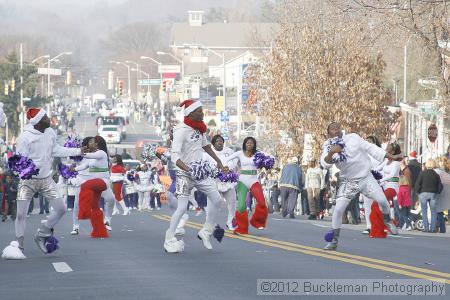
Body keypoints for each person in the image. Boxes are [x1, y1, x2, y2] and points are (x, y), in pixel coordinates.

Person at [5, 108, 83, 258]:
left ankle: (42, 233)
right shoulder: (25, 137)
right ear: (39, 122)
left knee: (61, 209)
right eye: (46, 117)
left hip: (46, 179)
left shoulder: (50, 133)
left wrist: (78, 151)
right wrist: (23, 171)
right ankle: (19, 245)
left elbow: (57, 150)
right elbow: (20, 160)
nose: (49, 119)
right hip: (28, 181)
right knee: (21, 214)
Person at [320, 122, 401, 250]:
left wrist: (392, 156)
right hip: (348, 181)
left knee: (383, 201)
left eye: (337, 127)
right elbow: (325, 164)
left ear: (341, 129)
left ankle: (387, 219)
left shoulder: (353, 137)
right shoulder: (327, 145)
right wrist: (331, 153)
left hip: (366, 177)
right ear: (328, 133)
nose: (335, 129)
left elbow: (372, 149)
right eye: (332, 128)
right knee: (338, 209)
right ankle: (334, 241)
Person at [164, 99, 228, 253]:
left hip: (201, 173)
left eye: (202, 110)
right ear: (190, 113)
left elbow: (206, 146)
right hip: (184, 175)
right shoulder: (180, 130)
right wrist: (188, 169)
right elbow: (175, 158)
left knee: (218, 200)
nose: (202, 113)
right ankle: (168, 239)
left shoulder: (200, 129)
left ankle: (205, 232)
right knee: (181, 208)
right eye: (199, 111)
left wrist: (218, 161)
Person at [74, 136, 115, 237]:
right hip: (95, 184)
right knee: (95, 207)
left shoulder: (101, 153)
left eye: (92, 142)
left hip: (103, 182)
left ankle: (84, 212)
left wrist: (77, 151)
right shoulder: (93, 156)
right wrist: (73, 169)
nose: (90, 143)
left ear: (97, 144)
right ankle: (99, 231)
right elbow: (83, 166)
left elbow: (88, 156)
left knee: (84, 186)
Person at [226, 137, 269, 234]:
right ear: (245, 144)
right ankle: (242, 228)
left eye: (251, 143)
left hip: (254, 180)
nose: (249, 144)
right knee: (241, 206)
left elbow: (270, 158)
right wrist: (228, 168)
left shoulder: (258, 154)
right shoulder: (239, 153)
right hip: (242, 181)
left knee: (262, 202)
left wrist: (267, 163)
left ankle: (257, 222)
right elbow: (227, 159)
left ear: (254, 145)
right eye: (248, 143)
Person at [206, 134, 237, 229]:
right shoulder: (207, 153)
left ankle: (231, 222)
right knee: (212, 205)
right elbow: (205, 166)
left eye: (221, 141)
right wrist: (215, 168)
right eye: (217, 141)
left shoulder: (229, 151)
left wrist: (229, 168)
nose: (219, 143)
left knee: (232, 202)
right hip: (214, 182)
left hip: (228, 181)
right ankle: (209, 223)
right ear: (213, 143)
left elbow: (235, 161)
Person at [415, 159, 442, 233]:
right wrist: (437, 192)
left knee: (424, 211)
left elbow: (418, 184)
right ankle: (433, 229)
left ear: (427, 165)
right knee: (433, 211)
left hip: (423, 193)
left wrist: (418, 192)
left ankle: (426, 228)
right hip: (433, 194)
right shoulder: (436, 175)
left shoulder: (422, 173)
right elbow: (440, 186)